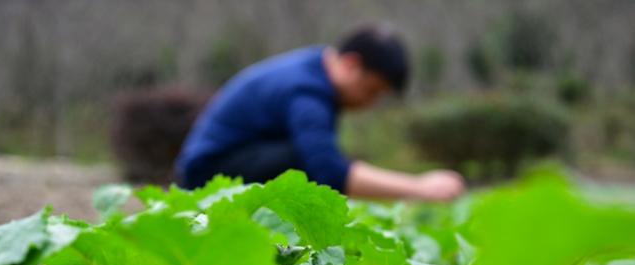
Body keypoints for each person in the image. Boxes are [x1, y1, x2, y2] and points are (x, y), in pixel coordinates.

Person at [175, 24, 466, 201]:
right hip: (206, 178)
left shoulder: (313, 70)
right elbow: (329, 171)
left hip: (229, 164)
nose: (370, 103)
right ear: (351, 64)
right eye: (371, 90)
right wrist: (419, 187)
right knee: (305, 160)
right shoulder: (307, 92)